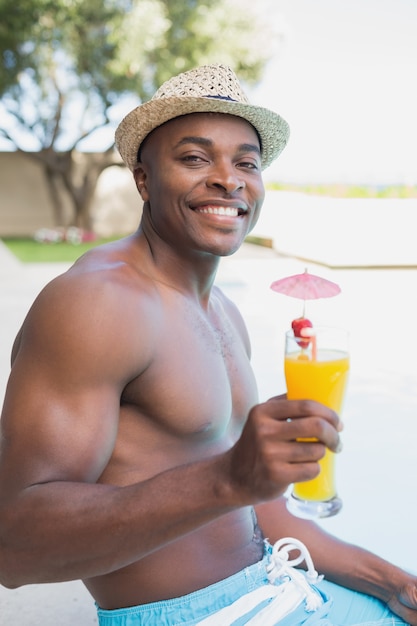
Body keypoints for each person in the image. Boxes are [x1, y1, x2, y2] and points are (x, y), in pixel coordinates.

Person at [0, 64, 415, 626]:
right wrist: (226, 479)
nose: (229, 178)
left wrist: (394, 585)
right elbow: (14, 545)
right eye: (195, 158)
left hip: (278, 587)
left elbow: (257, 505)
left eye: (247, 162)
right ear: (144, 180)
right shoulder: (96, 304)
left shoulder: (224, 312)